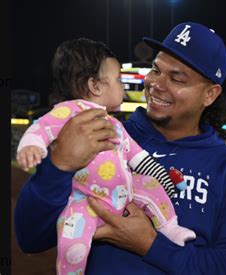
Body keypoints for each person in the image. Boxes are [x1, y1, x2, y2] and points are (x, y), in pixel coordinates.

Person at [14, 22, 226, 274]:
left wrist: (149, 245)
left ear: (210, 94)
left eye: (176, 78)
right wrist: (59, 166)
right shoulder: (98, 135)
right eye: (156, 70)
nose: (157, 83)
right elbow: (31, 238)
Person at [15, 38, 195, 274]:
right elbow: (42, 128)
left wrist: (162, 178)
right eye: (119, 80)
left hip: (125, 193)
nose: (123, 87)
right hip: (87, 200)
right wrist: (31, 146)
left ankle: (170, 228)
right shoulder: (68, 112)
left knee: (149, 184)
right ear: (96, 86)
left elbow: (139, 159)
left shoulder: (115, 124)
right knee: (73, 237)